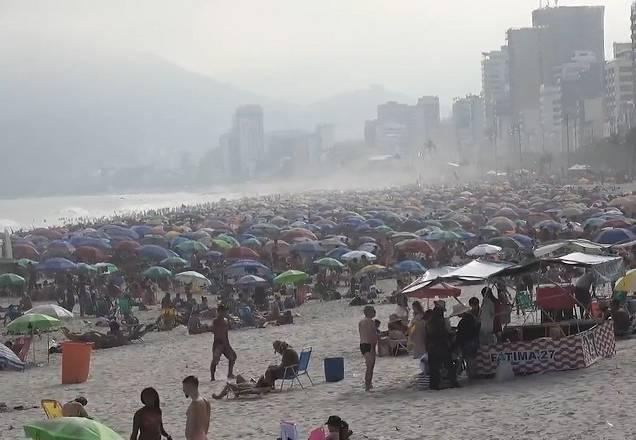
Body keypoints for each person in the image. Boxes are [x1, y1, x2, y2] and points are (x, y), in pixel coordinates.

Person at [426, 300, 458, 390]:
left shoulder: (429, 321)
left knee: (433, 368)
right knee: (449, 365)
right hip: (441, 346)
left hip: (431, 347)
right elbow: (443, 333)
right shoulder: (440, 321)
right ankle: (453, 382)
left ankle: (434, 385)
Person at [210, 304, 236, 381]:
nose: (224, 313)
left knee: (233, 357)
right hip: (218, 343)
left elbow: (226, 333)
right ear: (219, 312)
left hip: (225, 343)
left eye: (224, 311)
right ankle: (212, 377)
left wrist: (228, 345)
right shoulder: (216, 321)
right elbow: (214, 330)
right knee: (215, 361)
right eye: (222, 311)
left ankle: (230, 373)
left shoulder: (225, 321)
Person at [182, 376, 211, 440]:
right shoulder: (206, 401)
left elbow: (192, 427)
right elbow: (207, 425)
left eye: (185, 387)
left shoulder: (194, 405)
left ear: (191, 387)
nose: (183, 390)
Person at [358, 305, 378, 391]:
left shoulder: (361, 322)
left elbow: (362, 334)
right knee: (370, 367)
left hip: (363, 344)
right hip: (369, 345)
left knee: (368, 365)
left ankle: (369, 384)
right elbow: (372, 335)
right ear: (370, 312)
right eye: (374, 311)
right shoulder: (371, 322)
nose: (375, 312)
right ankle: (367, 385)